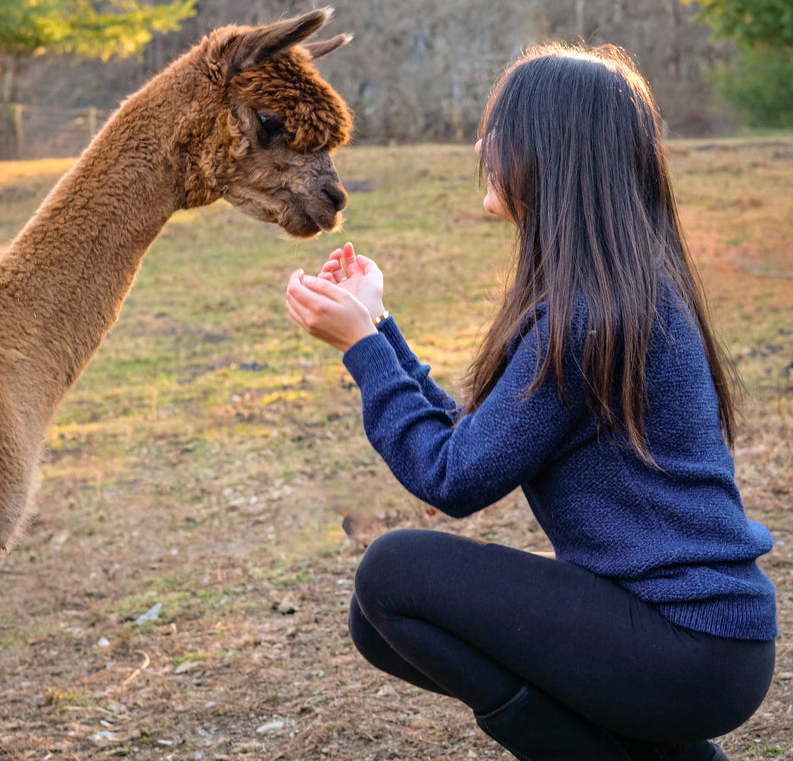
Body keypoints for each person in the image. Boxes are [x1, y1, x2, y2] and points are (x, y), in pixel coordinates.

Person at [284, 43, 776, 761]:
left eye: (501, 131)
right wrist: (378, 326)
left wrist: (362, 347)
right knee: (378, 617)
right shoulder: (610, 296)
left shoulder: (593, 318)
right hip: (688, 643)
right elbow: (473, 442)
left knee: (392, 573)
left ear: (555, 153)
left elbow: (453, 479)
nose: (481, 147)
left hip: (688, 645)